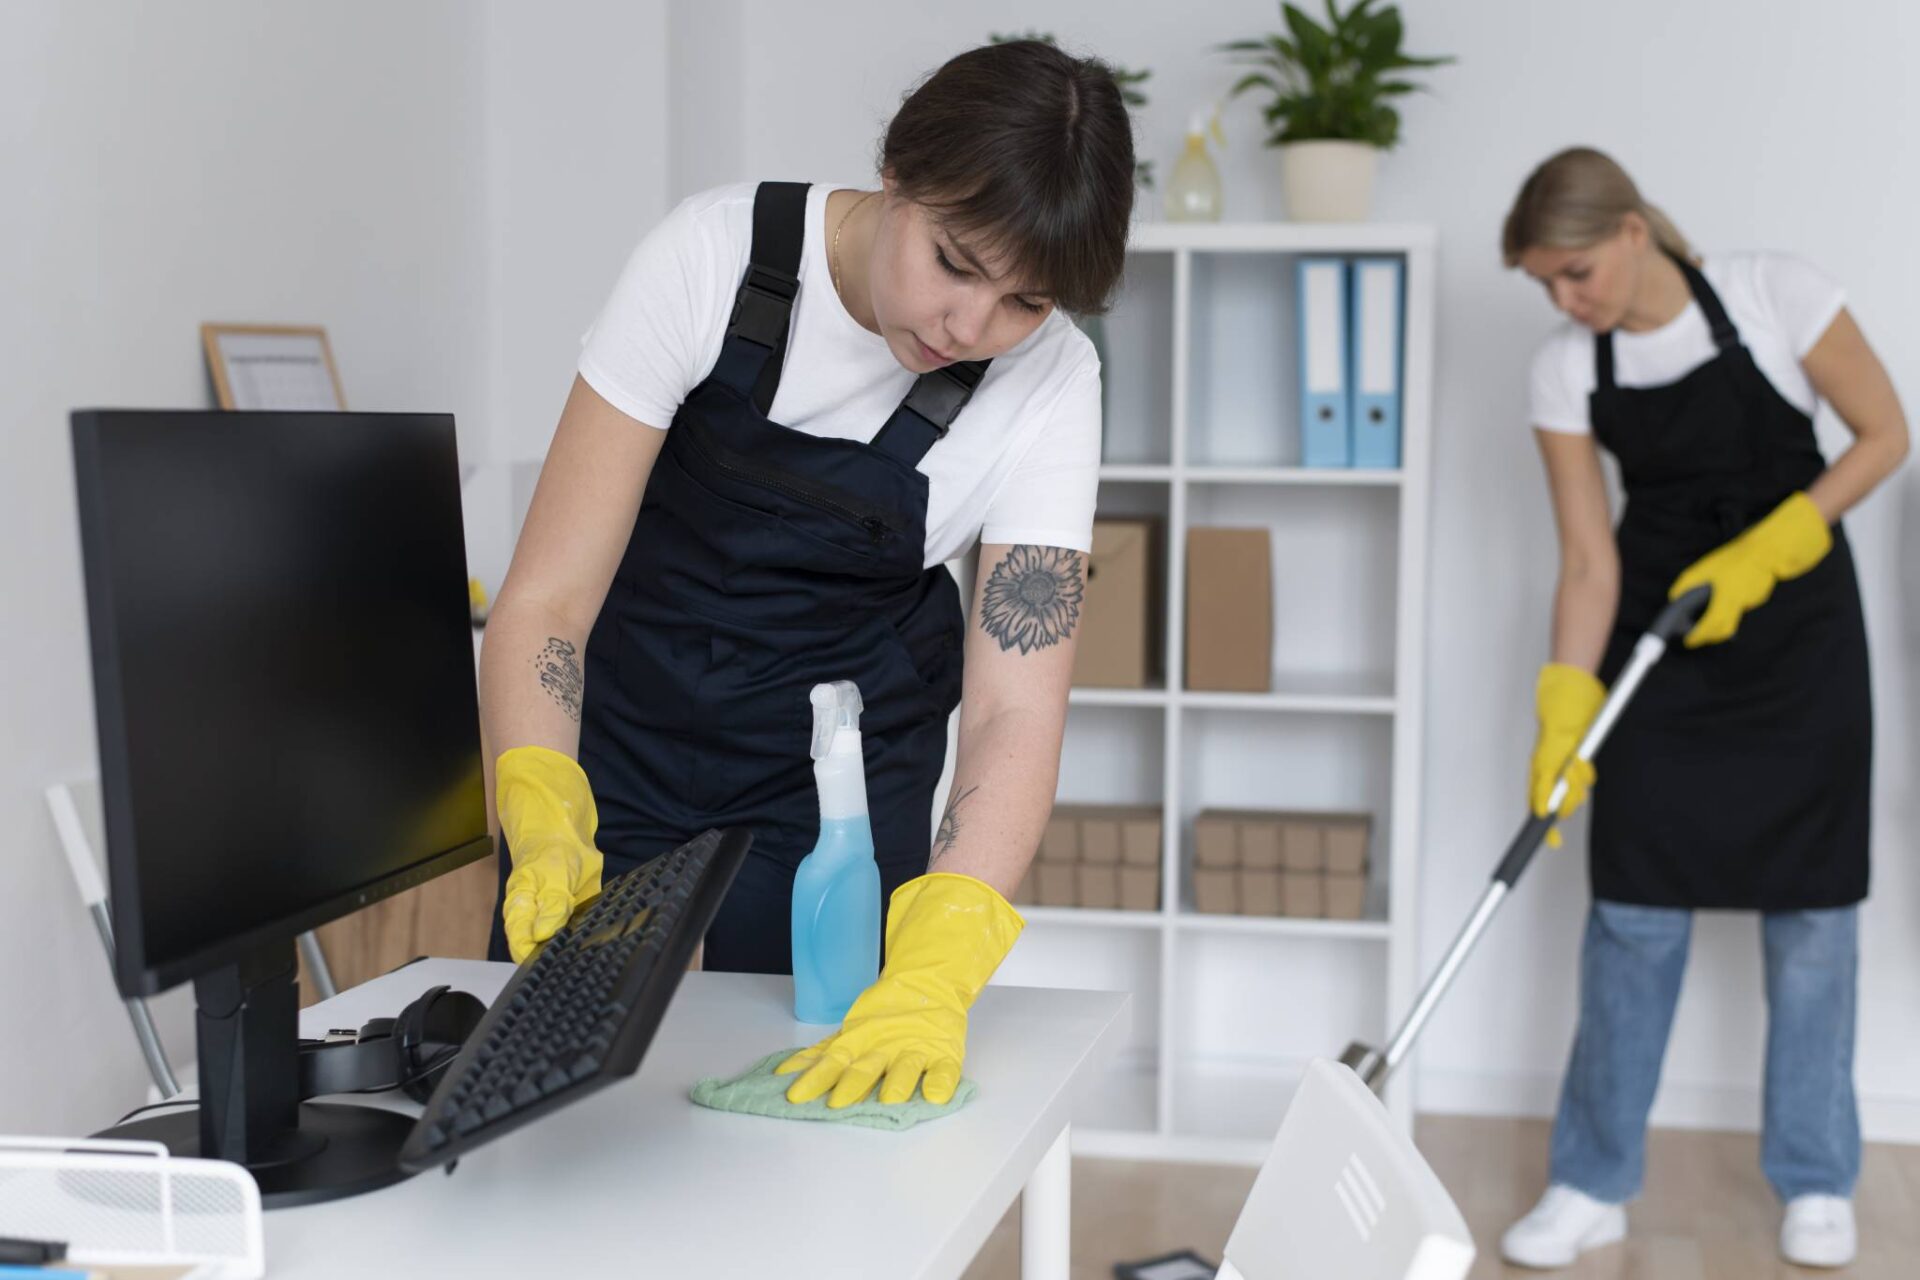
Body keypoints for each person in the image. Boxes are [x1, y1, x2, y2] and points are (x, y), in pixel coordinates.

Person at [475, 39, 1134, 1112]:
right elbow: (547, 597)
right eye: (957, 263)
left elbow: (1015, 709)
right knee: (552, 1100)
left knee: (810, 1101)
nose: (972, 328)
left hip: (832, 787)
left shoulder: (1053, 381)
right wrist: (544, 803)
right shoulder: (709, 257)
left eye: (1026, 303)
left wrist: (949, 934)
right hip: (622, 746)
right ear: (897, 173)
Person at [1498, 147, 1908, 1270]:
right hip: (1660, 643)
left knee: (1815, 921)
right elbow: (1587, 559)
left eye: (1575, 272)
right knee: (1631, 912)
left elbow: (1886, 434)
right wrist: (1563, 707)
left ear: (1634, 230)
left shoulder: (1778, 292)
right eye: (1545, 285)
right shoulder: (1565, 367)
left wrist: (1774, 546)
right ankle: (1591, 1178)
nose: (1564, 300)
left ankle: (1818, 1175)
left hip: (1800, 643)